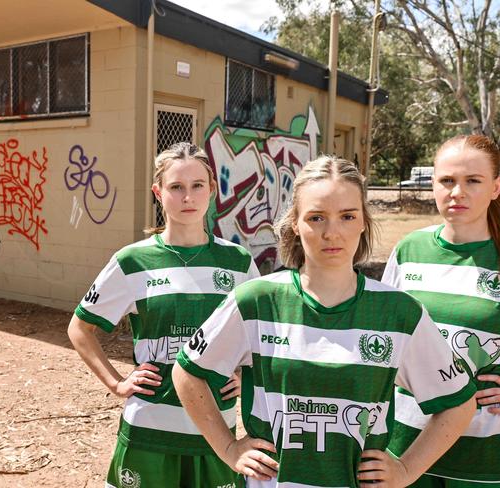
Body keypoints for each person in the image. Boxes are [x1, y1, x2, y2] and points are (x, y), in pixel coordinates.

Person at [172, 155, 477, 487]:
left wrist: (406, 469)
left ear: (363, 222)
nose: (332, 232)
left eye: (347, 216)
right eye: (316, 217)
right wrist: (229, 448)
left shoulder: (399, 312)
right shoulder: (255, 301)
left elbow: (458, 403)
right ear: (295, 224)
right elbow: (187, 373)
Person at [68, 142, 260, 488]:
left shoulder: (239, 263)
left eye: (197, 186)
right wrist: (116, 383)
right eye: (176, 187)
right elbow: (80, 329)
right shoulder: (132, 261)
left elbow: (262, 337)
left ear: (212, 190)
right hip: (149, 431)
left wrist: (245, 376)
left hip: (218, 438)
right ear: (159, 192)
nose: (188, 197)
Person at [382, 134, 500, 487]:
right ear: (433, 185)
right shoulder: (410, 249)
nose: (458, 192)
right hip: (404, 445)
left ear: (497, 187)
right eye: (447, 181)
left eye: (473, 181)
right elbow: (384, 338)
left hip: (487, 454)